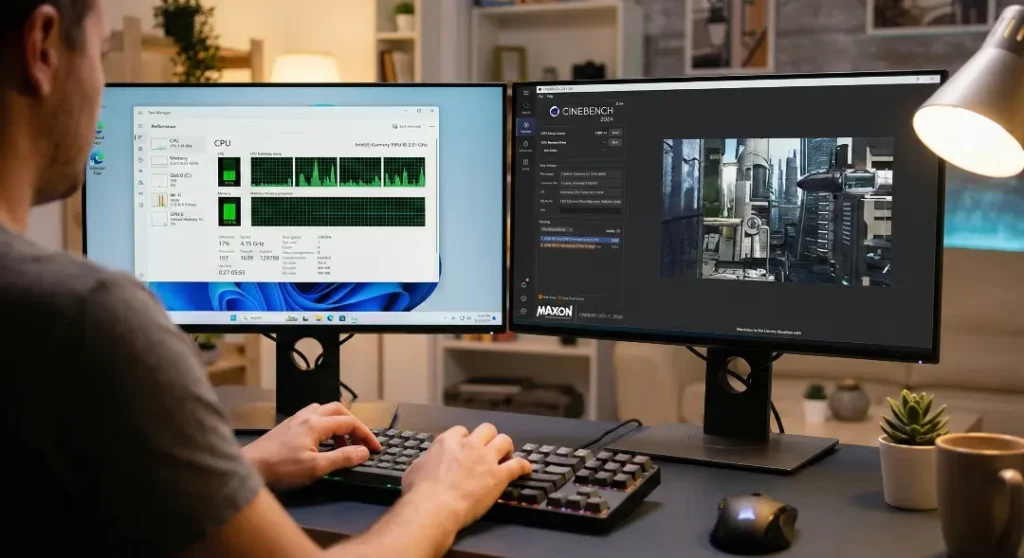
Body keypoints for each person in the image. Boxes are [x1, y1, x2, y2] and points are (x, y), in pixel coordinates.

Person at [0, 1, 532, 556]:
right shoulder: (83, 317)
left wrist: (244, 466)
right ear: (42, 47)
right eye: (104, 53)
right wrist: (442, 495)